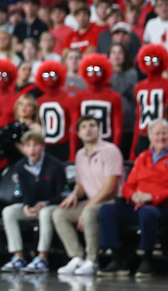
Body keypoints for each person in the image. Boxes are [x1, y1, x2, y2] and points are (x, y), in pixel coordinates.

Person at [97, 118, 168, 279]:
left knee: (147, 213)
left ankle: (147, 260)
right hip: (139, 206)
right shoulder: (143, 157)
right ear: (150, 137)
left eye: (164, 133)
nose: (160, 138)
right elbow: (128, 185)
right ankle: (117, 259)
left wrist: (153, 196)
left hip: (166, 209)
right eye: (157, 134)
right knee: (107, 210)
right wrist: (133, 195)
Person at [53, 115, 124, 276]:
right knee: (59, 214)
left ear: (99, 130)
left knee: (90, 213)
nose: (88, 129)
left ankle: (92, 260)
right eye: (84, 127)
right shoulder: (79, 155)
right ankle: (77, 257)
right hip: (92, 200)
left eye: (92, 125)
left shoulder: (110, 150)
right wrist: (74, 194)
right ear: (78, 133)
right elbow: (81, 184)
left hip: (111, 202)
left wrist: (88, 207)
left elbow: (110, 187)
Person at [0, 129, 67, 273]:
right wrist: (26, 206)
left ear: (43, 146)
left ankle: (42, 257)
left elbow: (62, 195)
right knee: (9, 212)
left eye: (36, 145)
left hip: (52, 205)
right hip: (34, 206)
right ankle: (18, 256)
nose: (32, 149)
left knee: (44, 213)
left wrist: (44, 204)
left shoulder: (55, 166)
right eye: (28, 145)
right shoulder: (21, 165)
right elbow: (24, 192)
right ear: (23, 148)